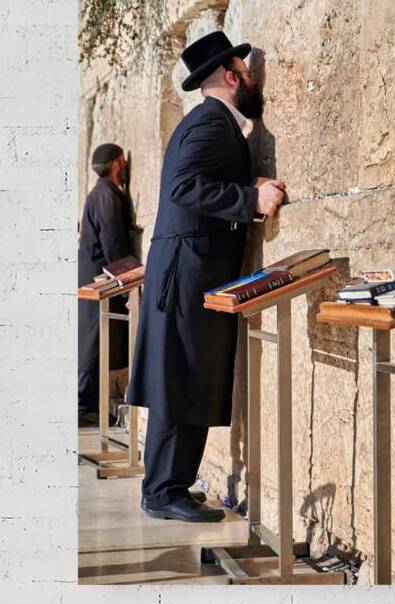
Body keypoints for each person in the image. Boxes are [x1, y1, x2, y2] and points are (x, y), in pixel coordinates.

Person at [127, 31, 286, 523]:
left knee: (186, 376)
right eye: (246, 69)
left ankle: (169, 484)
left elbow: (199, 182)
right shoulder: (211, 123)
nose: (253, 77)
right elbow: (183, 186)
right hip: (187, 272)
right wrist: (249, 200)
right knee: (179, 378)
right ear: (232, 76)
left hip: (191, 269)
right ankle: (162, 491)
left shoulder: (211, 122)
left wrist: (245, 186)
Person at [78, 143, 132, 426]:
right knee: (94, 340)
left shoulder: (102, 194)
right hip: (100, 278)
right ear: (114, 164)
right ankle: (83, 405)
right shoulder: (106, 196)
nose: (125, 167)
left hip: (98, 277)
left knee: (95, 338)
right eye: (123, 162)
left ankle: (87, 403)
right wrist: (127, 278)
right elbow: (113, 243)